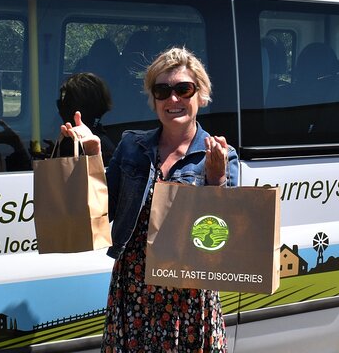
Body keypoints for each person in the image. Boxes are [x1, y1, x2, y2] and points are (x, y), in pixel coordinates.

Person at [60, 47, 239, 352]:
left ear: (201, 95)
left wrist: (217, 177)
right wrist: (92, 154)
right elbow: (103, 210)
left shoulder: (221, 155)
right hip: (134, 288)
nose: (173, 100)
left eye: (183, 89)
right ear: (153, 99)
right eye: (162, 91)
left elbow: (224, 237)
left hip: (189, 296)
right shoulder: (132, 146)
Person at [0, 72, 115, 169]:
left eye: (63, 102)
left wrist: (16, 144)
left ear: (77, 109)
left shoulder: (86, 145)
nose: (59, 108)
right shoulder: (102, 140)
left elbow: (47, 185)